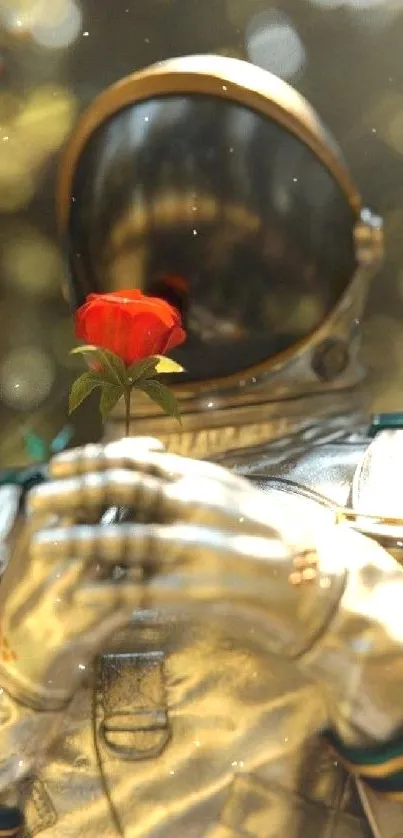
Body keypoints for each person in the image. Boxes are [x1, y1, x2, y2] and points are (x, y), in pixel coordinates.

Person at [0, 54, 401, 838]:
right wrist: (14, 685)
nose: (201, 275)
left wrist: (342, 612)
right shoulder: (17, 524)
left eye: (245, 244)